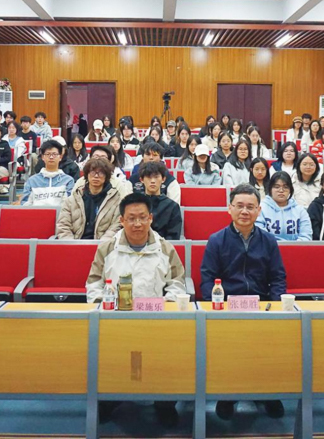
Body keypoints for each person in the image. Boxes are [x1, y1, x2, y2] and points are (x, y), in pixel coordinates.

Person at [85, 191, 186, 426]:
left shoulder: (165, 248)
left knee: (163, 360)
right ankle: (110, 400)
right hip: (115, 319)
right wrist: (102, 305)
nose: (137, 223)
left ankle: (164, 404)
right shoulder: (108, 248)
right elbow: (94, 282)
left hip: (156, 320)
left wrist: (168, 305)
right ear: (122, 220)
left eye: (142, 217)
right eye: (131, 218)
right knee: (112, 359)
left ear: (151, 218)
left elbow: (177, 283)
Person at [200, 183, 286, 420]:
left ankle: (268, 393)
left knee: (266, 350)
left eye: (250, 207)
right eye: (239, 206)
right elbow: (207, 278)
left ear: (259, 210)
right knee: (230, 350)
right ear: (230, 208)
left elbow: (278, 277)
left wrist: (277, 306)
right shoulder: (216, 240)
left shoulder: (268, 240)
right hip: (228, 307)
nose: (245, 211)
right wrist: (216, 306)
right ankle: (228, 394)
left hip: (262, 306)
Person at [57, 158, 123, 241]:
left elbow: (115, 227)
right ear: (86, 175)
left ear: (106, 176)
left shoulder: (116, 200)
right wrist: (72, 245)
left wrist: (101, 245)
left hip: (103, 244)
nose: (96, 176)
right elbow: (63, 225)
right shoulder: (72, 199)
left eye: (101, 173)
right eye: (92, 172)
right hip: (75, 243)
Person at [256, 171, 312, 241]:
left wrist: (292, 246)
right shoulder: (261, 208)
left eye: (285, 187)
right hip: (269, 247)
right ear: (270, 189)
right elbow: (260, 234)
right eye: (277, 187)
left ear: (290, 190)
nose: (281, 190)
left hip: (295, 247)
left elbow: (306, 236)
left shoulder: (300, 211)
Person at [20, 139, 75, 207]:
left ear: (60, 157)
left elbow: (69, 205)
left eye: (54, 154)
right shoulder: (32, 181)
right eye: (48, 154)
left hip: (60, 213)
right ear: (42, 157)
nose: (51, 157)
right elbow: (25, 204)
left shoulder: (68, 181)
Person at [137, 161, 182, 240]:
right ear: (141, 179)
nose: (152, 181)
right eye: (149, 177)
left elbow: (173, 236)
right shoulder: (135, 205)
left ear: (163, 179)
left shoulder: (172, 206)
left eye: (156, 177)